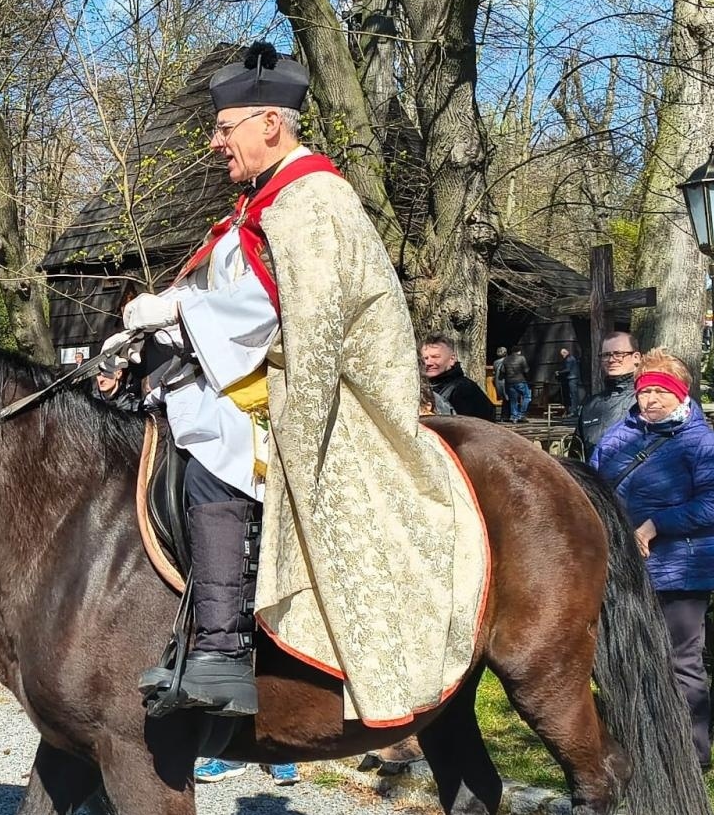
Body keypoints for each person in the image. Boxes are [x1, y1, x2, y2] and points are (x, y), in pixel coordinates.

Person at [120, 42, 479, 719]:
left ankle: (224, 651)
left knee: (212, 459)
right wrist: (148, 336)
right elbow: (236, 306)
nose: (215, 143)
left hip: (331, 396)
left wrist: (179, 309)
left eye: (225, 130)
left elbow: (290, 308)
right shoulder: (257, 208)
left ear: (269, 125)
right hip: (259, 376)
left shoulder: (312, 203)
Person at [589, 350, 714, 769]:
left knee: (681, 660)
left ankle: (690, 753)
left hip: (680, 568)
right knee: (625, 659)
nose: (649, 399)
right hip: (622, 566)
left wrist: (654, 525)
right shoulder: (618, 436)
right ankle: (637, 747)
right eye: (643, 390)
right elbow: (593, 487)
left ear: (679, 394)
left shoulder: (701, 442)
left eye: (659, 392)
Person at [574, 331, 641, 461]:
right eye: (606, 355)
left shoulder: (648, 399)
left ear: (636, 357)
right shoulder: (590, 405)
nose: (611, 360)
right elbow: (577, 456)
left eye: (618, 354)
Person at [421, 335, 497, 421]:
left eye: (435, 357)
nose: (428, 362)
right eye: (425, 358)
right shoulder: (419, 387)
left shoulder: (464, 389)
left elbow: (476, 427)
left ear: (452, 359)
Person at [503, 347, 531, 422]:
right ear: (519, 351)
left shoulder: (506, 359)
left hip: (509, 382)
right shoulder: (522, 358)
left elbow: (503, 371)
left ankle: (514, 416)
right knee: (527, 396)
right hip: (520, 380)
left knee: (513, 400)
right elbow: (526, 370)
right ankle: (521, 414)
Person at [557, 347, 582, 416]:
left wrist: (559, 372)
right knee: (574, 395)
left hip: (572, 378)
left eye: (563, 354)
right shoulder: (572, 358)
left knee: (573, 395)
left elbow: (568, 369)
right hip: (573, 378)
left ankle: (574, 411)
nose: (563, 356)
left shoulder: (569, 359)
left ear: (566, 353)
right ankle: (574, 410)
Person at [491, 347, 508, 420]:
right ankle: (506, 415)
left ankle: (503, 415)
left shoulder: (495, 362)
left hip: (497, 382)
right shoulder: (507, 361)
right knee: (507, 399)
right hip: (505, 382)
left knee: (504, 399)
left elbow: (494, 373)